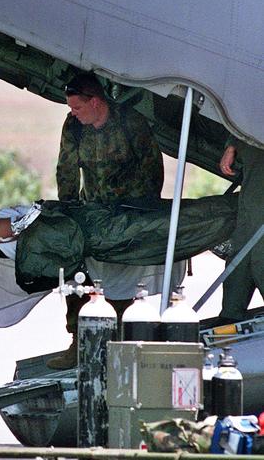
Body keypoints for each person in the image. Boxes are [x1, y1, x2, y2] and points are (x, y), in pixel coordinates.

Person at [51, 72, 164, 368]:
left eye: (78, 107)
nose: (72, 113)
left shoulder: (131, 123)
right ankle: (79, 340)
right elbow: (66, 168)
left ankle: (122, 343)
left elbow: (152, 168)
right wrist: (69, 211)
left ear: (96, 102)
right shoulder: (74, 127)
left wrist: (141, 212)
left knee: (124, 278)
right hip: (92, 210)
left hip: (129, 210)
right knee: (78, 271)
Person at [218, 137, 264, 323]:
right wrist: (232, 144)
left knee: (258, 244)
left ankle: (231, 311)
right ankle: (231, 312)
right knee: (246, 238)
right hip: (253, 142)